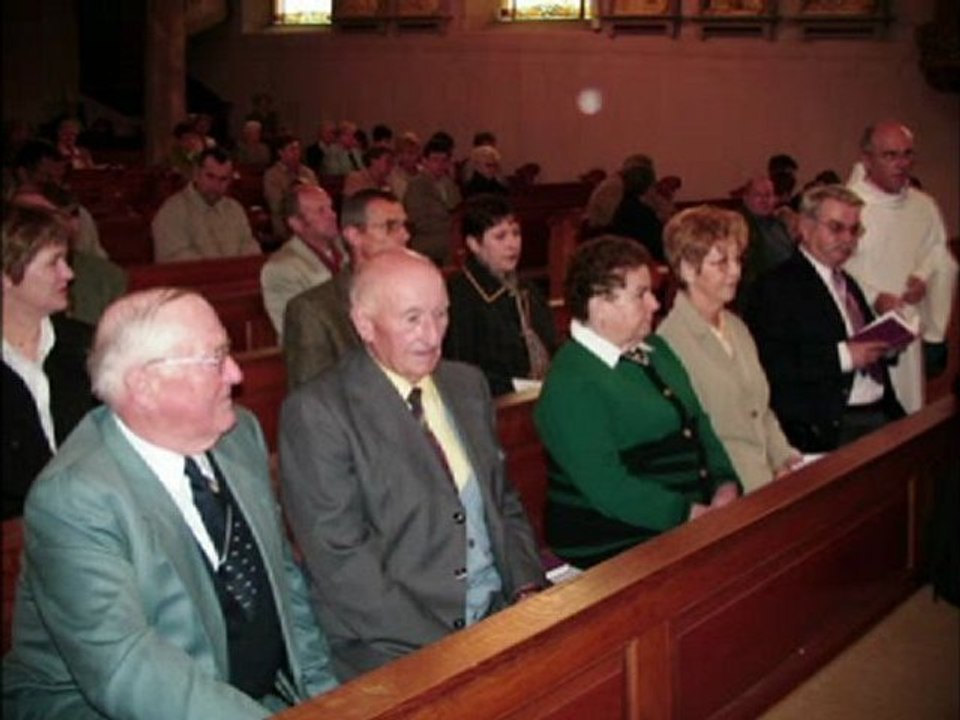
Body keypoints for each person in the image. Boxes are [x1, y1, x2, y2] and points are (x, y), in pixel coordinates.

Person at [2, 288, 339, 718]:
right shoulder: (76, 498)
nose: (236, 374)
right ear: (145, 385)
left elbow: (285, 587)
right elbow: (127, 669)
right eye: (215, 359)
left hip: (246, 699)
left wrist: (328, 702)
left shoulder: (239, 436)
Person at [280, 248, 545, 680]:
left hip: (495, 611)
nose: (432, 335)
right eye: (412, 318)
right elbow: (342, 561)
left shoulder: (466, 384)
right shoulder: (320, 412)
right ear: (364, 324)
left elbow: (503, 501)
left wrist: (526, 587)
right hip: (393, 644)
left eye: (441, 315)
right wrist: (449, 649)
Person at [534, 235, 740, 570]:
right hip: (614, 538)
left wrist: (724, 484)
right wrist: (691, 515)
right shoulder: (572, 381)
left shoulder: (656, 350)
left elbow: (698, 422)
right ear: (600, 305)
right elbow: (607, 486)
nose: (655, 304)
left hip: (686, 521)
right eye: (640, 294)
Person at [745, 185, 905, 453]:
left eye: (854, 230)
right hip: (831, 426)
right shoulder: (776, 286)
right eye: (836, 228)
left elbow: (859, 342)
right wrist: (844, 357)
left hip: (880, 410)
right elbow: (772, 363)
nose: (847, 239)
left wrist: (887, 346)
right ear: (805, 227)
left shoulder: (847, 282)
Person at [657, 206, 801, 494]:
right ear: (687, 269)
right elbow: (691, 438)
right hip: (726, 493)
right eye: (721, 262)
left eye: (737, 259)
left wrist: (785, 459)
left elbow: (760, 410)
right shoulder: (668, 342)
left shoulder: (736, 326)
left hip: (766, 481)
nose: (736, 271)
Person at [846, 120, 958, 413]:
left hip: (907, 330)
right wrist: (874, 297)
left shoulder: (924, 206)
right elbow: (836, 269)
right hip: (861, 331)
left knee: (909, 413)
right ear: (867, 159)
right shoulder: (849, 208)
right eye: (890, 155)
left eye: (907, 154)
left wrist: (924, 278)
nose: (902, 164)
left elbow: (938, 254)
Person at [2, 203, 97, 519]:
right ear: (7, 275)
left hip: (93, 517)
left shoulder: (87, 345)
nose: (68, 274)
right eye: (53, 263)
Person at [283, 188, 410, 389]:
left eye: (404, 225)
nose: (404, 236)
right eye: (390, 227)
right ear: (354, 236)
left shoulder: (412, 294)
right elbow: (311, 398)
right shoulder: (313, 310)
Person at [444, 194, 557, 396]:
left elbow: (552, 344)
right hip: (497, 402)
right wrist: (519, 387)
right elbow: (463, 371)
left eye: (516, 233)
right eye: (500, 236)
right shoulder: (461, 297)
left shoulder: (527, 289)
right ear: (474, 244)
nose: (513, 244)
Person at [260, 184, 342, 337]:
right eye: (321, 211)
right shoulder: (281, 268)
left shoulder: (348, 250)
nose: (333, 215)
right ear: (297, 224)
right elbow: (298, 332)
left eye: (331, 208)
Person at [152, 147, 261, 262]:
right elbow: (177, 262)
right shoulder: (172, 212)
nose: (216, 185)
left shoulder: (235, 209)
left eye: (223, 179)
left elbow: (250, 249)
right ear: (196, 174)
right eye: (210, 176)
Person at [736, 175, 795, 311]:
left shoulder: (778, 223)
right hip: (759, 296)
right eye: (758, 195)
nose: (764, 200)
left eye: (768, 195)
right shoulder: (739, 226)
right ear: (746, 198)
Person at [403, 135, 462, 266]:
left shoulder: (449, 183)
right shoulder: (416, 185)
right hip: (426, 238)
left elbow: (458, 208)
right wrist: (451, 227)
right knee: (455, 244)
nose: (440, 165)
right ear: (424, 161)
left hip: (449, 233)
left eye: (444, 161)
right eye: (435, 160)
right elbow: (417, 221)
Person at [263, 134, 319, 241]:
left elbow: (319, 199)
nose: (296, 153)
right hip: (285, 223)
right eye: (292, 149)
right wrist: (294, 193)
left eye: (298, 149)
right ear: (281, 152)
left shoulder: (308, 173)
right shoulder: (272, 175)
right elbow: (276, 205)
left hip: (311, 222)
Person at [609, 161, 665, 262]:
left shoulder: (624, 205)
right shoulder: (642, 212)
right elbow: (657, 245)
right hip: (644, 260)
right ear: (648, 186)